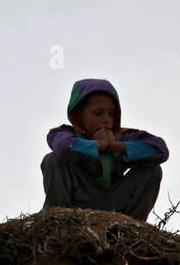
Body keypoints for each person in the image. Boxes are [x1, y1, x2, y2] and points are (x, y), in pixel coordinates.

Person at [42, 78, 168, 221]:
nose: (107, 119)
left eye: (111, 113)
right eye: (98, 113)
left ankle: (133, 225)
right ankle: (57, 220)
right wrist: (97, 145)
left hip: (115, 204)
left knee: (153, 169)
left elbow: (160, 150)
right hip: (75, 205)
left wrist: (117, 146)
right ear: (78, 115)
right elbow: (64, 147)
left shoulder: (122, 137)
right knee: (52, 159)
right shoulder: (63, 134)